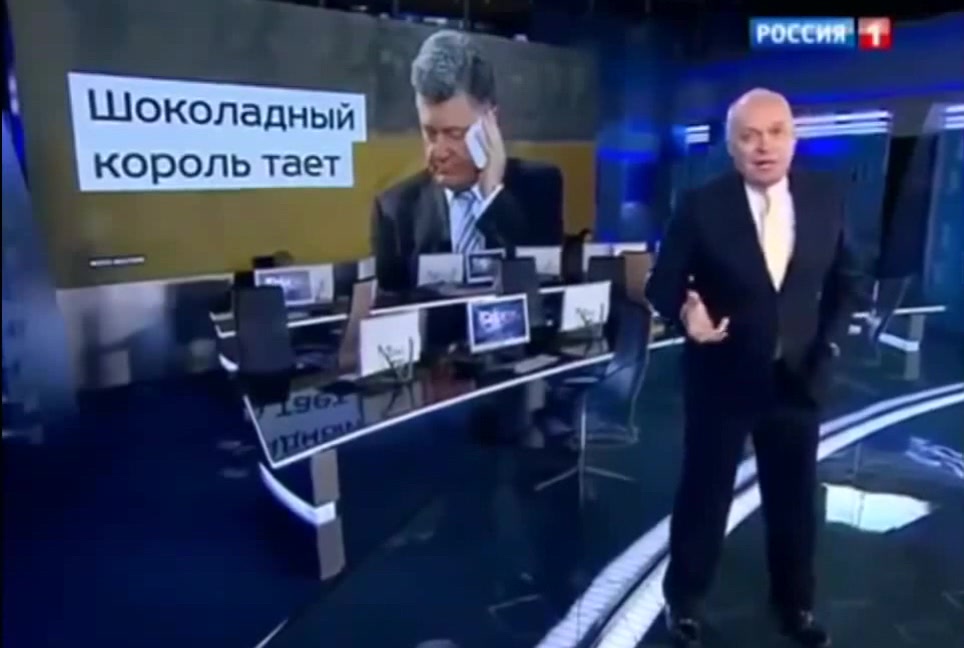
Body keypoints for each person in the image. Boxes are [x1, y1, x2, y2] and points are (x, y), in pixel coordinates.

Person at [646, 88, 861, 648]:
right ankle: (685, 602)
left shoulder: (826, 197)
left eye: (775, 132)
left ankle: (796, 606)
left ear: (793, 137)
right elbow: (662, 285)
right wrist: (686, 311)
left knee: (794, 500)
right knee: (704, 494)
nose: (764, 146)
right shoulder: (701, 205)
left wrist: (829, 347)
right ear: (731, 146)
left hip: (798, 378)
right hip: (721, 377)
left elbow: (848, 280)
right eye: (749, 135)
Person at [370, 30, 564, 292]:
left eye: (455, 134)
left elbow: (540, 290)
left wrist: (492, 195)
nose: (439, 152)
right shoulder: (394, 211)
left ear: (490, 123)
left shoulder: (540, 188)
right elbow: (391, 310)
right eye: (430, 133)